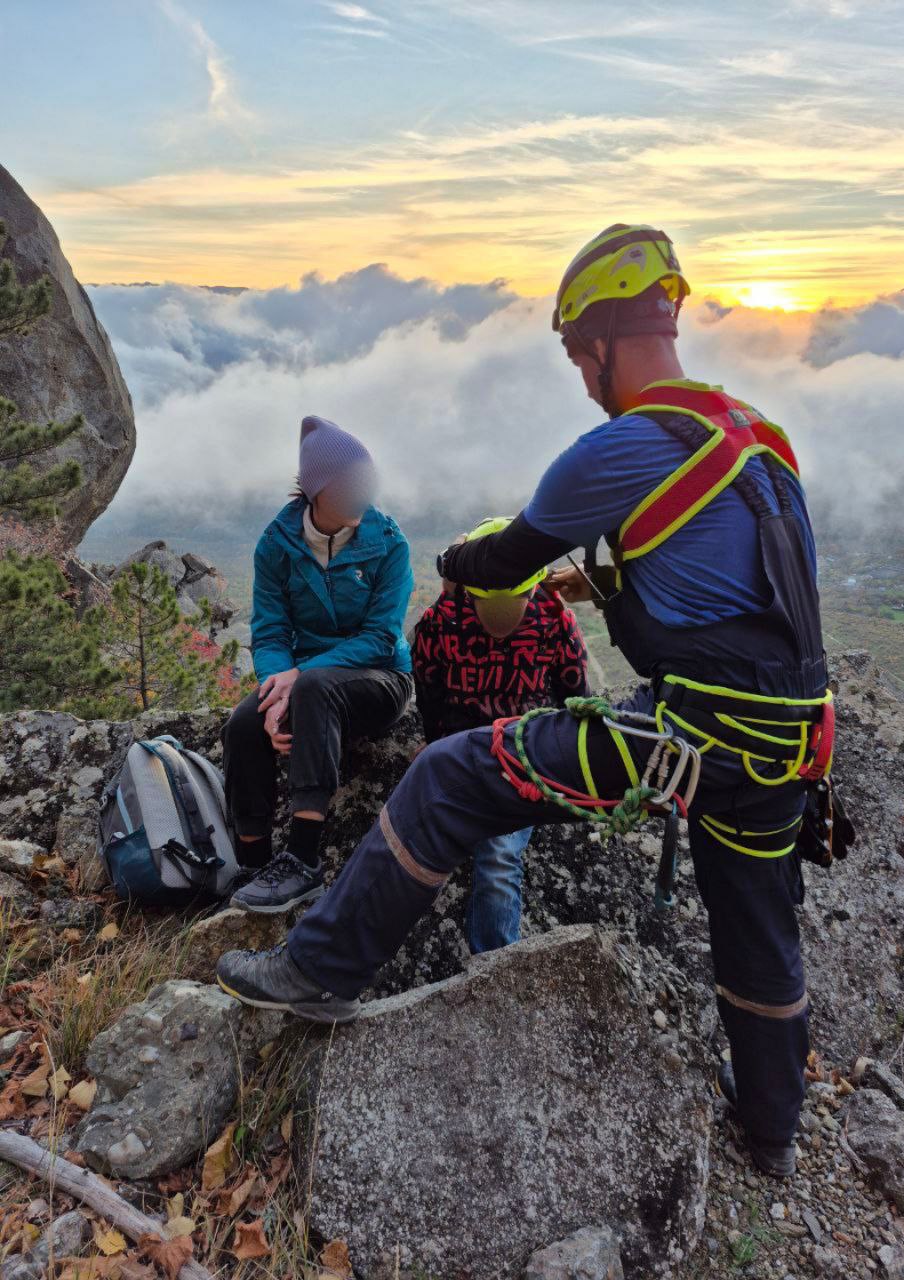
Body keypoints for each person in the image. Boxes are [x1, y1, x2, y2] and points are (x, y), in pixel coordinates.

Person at [217, 226, 831, 1179]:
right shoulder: (762, 442)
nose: (582, 376)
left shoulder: (625, 445)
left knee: (448, 773)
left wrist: (464, 559)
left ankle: (322, 970)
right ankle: (773, 1130)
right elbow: (748, 601)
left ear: (597, 340)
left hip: (694, 735)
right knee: (756, 922)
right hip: (787, 750)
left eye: (576, 353)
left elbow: (501, 561)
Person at [221, 414, 414, 913]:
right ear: (316, 490)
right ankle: (253, 864)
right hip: (305, 675)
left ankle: (302, 861)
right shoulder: (277, 545)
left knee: (314, 689)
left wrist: (299, 677)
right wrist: (273, 689)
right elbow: (268, 632)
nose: (362, 495)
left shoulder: (389, 543)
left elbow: (379, 637)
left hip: (381, 677)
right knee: (243, 725)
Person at [412, 517, 589, 953]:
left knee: (498, 858)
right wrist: (433, 743)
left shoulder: (553, 620)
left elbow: (574, 696)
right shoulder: (441, 623)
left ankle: (494, 964)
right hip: (466, 751)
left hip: (525, 755)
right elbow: (430, 690)